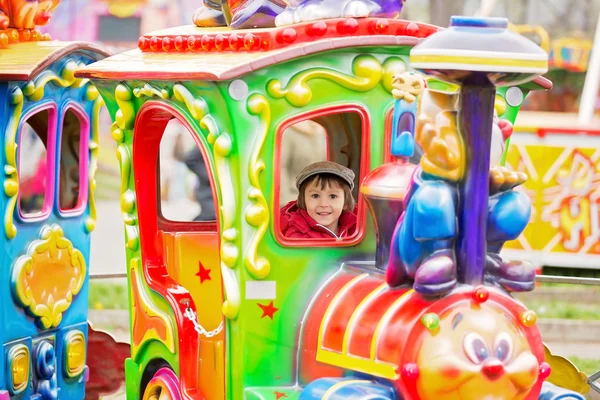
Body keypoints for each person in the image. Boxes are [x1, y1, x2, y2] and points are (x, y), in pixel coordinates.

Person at [280, 161, 357, 239]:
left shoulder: (356, 228)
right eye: (315, 196)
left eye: (333, 196)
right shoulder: (297, 236)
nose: (323, 204)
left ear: (345, 202)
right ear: (304, 201)